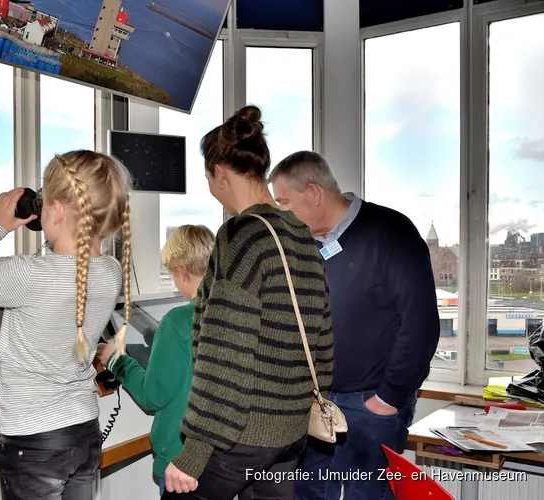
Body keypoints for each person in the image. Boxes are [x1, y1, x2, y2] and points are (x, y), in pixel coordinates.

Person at [0, 150, 132, 500]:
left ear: (54, 209)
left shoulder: (27, 275)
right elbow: (70, 264)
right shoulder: (111, 272)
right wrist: (54, 224)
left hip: (34, 441)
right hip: (83, 430)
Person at [161, 106, 334, 500]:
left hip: (239, 438)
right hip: (290, 435)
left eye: (207, 176)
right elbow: (321, 340)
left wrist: (195, 452)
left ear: (220, 173)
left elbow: (226, 351)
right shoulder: (302, 235)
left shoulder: (240, 235)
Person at [269, 151, 440, 500]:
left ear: (314, 193)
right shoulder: (298, 246)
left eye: (285, 202)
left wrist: (387, 399)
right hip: (315, 404)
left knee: (370, 495)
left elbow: (420, 325)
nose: (281, 213)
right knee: (308, 493)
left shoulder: (391, 232)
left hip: (372, 405)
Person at [96, 224, 215, 497]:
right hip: (220, 456)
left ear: (182, 272)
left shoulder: (176, 322)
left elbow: (153, 396)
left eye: (172, 274)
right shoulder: (229, 312)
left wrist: (116, 360)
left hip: (181, 456)